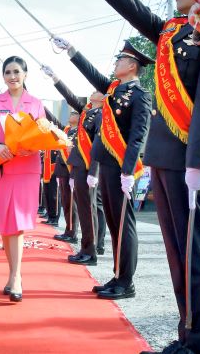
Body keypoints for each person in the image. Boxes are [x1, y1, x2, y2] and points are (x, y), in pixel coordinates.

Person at [62, 0, 200, 354]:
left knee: (195, 254)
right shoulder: (174, 29)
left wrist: (199, 162)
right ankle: (187, 337)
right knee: (178, 253)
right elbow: (134, 8)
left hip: (188, 160)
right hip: (163, 156)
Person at [52, 37, 152, 301]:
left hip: (121, 168)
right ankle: (118, 275)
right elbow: (92, 73)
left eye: (120, 59)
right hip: (105, 164)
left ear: (131, 65)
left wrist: (129, 171)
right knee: (111, 220)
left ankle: (126, 281)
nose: (116, 62)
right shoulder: (114, 89)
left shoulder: (140, 95)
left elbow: (138, 135)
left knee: (123, 224)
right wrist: (72, 51)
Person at [0, 56, 46, 302]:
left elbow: (42, 133)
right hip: (0, 166)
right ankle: (12, 274)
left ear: (25, 74)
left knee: (17, 223)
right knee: (6, 226)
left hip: (26, 168)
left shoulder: (36, 103)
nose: (12, 76)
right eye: (7, 72)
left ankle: (16, 276)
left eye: (16, 71)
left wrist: (34, 145)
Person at [42, 66, 107, 264]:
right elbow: (71, 97)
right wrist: (55, 78)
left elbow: (98, 143)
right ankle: (86, 249)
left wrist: (94, 171)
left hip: (89, 167)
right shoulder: (88, 112)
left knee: (89, 210)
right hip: (78, 165)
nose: (92, 92)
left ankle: (91, 251)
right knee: (83, 209)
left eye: (96, 90)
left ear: (103, 98)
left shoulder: (103, 115)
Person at [46, 108, 79, 244]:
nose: (71, 115)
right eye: (71, 113)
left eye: (75, 113)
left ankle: (72, 233)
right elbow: (53, 120)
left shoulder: (79, 131)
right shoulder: (66, 130)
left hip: (71, 170)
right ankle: (68, 229)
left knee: (72, 203)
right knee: (66, 202)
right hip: (62, 171)